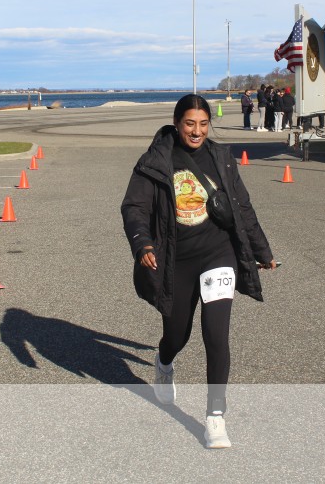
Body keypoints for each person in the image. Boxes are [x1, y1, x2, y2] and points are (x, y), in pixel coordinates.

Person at [121, 94, 278, 449]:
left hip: (218, 253)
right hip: (176, 260)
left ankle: (215, 417)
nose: (197, 131)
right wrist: (143, 244)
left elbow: (242, 207)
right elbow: (134, 207)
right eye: (190, 124)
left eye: (203, 124)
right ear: (177, 124)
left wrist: (262, 250)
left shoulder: (221, 157)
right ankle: (164, 363)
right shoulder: (156, 160)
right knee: (177, 335)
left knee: (216, 334)